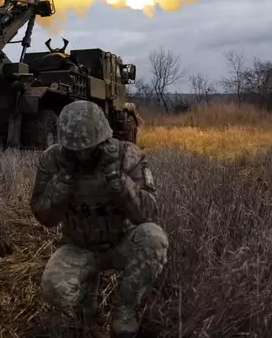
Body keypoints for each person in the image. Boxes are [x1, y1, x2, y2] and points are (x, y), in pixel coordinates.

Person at [30, 100, 168, 338]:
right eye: (74, 150)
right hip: (79, 247)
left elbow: (148, 213)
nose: (81, 155)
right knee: (54, 288)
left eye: (88, 148)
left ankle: (125, 308)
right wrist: (62, 183)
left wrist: (118, 181)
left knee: (154, 238)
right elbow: (44, 217)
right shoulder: (52, 161)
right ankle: (86, 310)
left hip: (122, 242)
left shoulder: (128, 155)